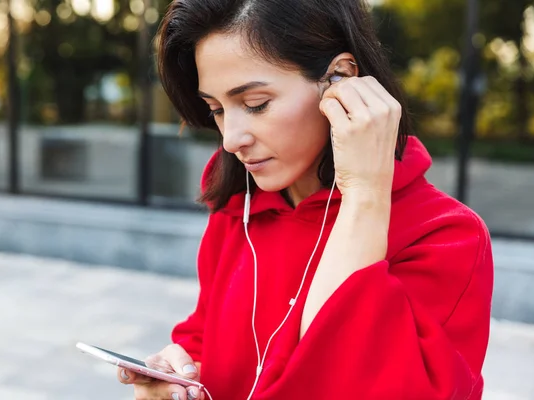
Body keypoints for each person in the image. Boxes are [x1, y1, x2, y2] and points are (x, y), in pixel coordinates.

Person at [118, 0, 494, 399]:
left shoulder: (444, 238)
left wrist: (364, 196)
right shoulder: (241, 206)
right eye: (216, 109)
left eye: (255, 104)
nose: (231, 139)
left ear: (340, 79)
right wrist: (180, 374)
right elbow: (207, 332)